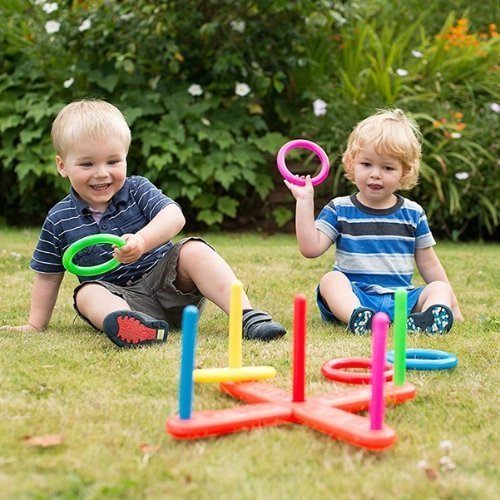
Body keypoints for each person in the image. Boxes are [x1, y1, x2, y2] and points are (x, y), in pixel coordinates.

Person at [1, 99, 286, 347]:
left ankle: (247, 316)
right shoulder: (59, 219)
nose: (102, 173)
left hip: (171, 288)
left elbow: (174, 216)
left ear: (126, 157)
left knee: (194, 250)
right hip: (121, 299)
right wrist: (35, 324)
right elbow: (48, 276)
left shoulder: (137, 189)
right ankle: (135, 327)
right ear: (62, 166)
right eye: (87, 165)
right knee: (87, 293)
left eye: (113, 161)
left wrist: (143, 240)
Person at [285, 108, 463, 335]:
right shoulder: (340, 209)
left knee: (439, 288)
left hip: (402, 300)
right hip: (355, 296)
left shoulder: (413, 213)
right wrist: (304, 201)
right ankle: (359, 318)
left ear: (404, 172)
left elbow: (429, 264)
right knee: (331, 280)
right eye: (366, 164)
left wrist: (452, 304)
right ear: (352, 163)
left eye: (387, 167)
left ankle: (428, 319)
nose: (375, 174)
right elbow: (310, 248)